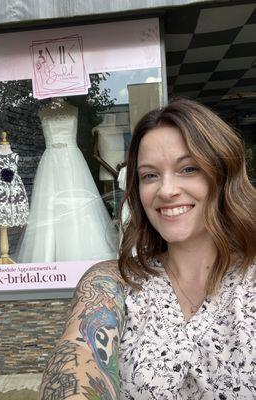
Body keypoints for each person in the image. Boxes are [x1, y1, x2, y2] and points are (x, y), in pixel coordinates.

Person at [38, 98, 256, 399]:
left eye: (188, 168)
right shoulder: (114, 282)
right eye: (149, 175)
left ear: (222, 173)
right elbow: (79, 351)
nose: (166, 190)